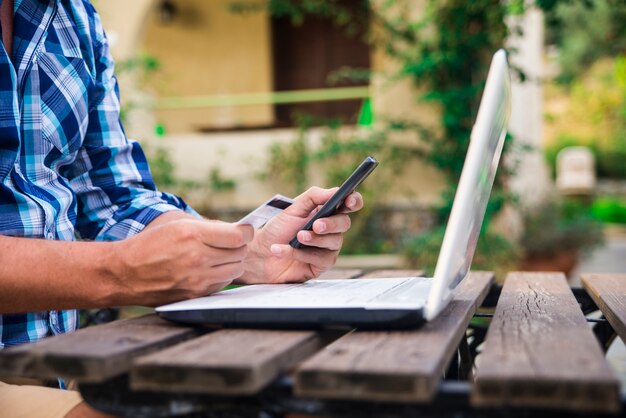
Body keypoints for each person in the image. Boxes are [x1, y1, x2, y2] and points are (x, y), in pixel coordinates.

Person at [0, 0, 364, 417]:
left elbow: (113, 192)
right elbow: (119, 257)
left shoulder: (74, 15)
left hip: (57, 366)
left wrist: (243, 252)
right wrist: (117, 269)